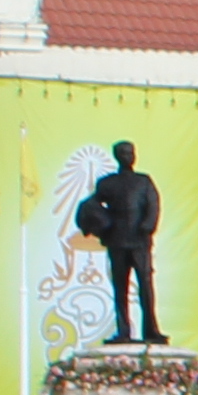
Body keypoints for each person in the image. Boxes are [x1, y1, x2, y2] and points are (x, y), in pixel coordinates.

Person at [73, 138, 163, 342]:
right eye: (123, 153)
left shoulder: (143, 181)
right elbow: (90, 205)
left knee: (146, 286)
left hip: (139, 241)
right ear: (117, 157)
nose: (128, 157)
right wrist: (99, 225)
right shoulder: (107, 183)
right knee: (120, 288)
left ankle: (151, 330)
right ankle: (123, 331)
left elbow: (153, 205)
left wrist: (148, 226)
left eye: (130, 153)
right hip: (117, 241)